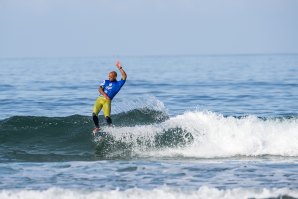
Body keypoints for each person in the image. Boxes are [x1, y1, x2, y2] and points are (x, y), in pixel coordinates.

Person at [92, 61, 127, 134]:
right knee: (94, 114)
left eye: (110, 77)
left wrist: (120, 68)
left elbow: (124, 76)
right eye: (108, 76)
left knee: (107, 117)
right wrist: (105, 95)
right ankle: (97, 127)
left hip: (107, 101)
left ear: (115, 77)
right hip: (100, 99)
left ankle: (111, 129)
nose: (109, 77)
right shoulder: (105, 81)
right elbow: (99, 89)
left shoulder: (118, 84)